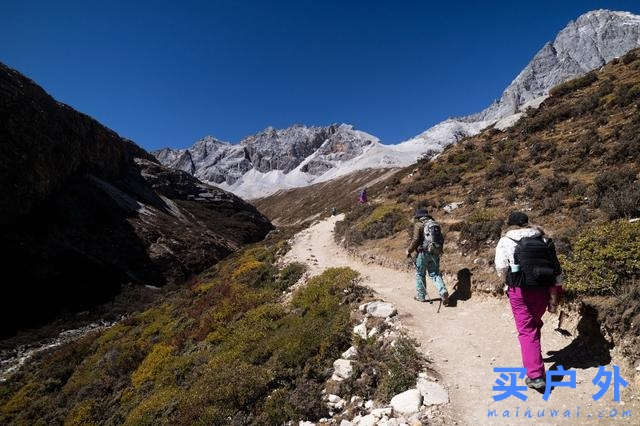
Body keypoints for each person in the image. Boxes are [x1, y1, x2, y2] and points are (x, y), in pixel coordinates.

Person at [494, 211, 562, 391]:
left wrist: (507, 281)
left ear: (510, 224)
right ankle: (535, 358)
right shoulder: (543, 239)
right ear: (527, 223)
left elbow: (501, 267)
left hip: (520, 291)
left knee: (526, 330)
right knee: (534, 324)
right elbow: (556, 269)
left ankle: (535, 375)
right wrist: (555, 294)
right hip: (543, 288)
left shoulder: (506, 241)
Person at [406, 207, 450, 305]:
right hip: (435, 252)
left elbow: (416, 239)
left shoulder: (419, 225)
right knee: (435, 274)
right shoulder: (435, 224)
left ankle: (421, 296)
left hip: (423, 253)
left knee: (420, 274)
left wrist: (409, 250)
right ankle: (443, 291)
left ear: (419, 217)